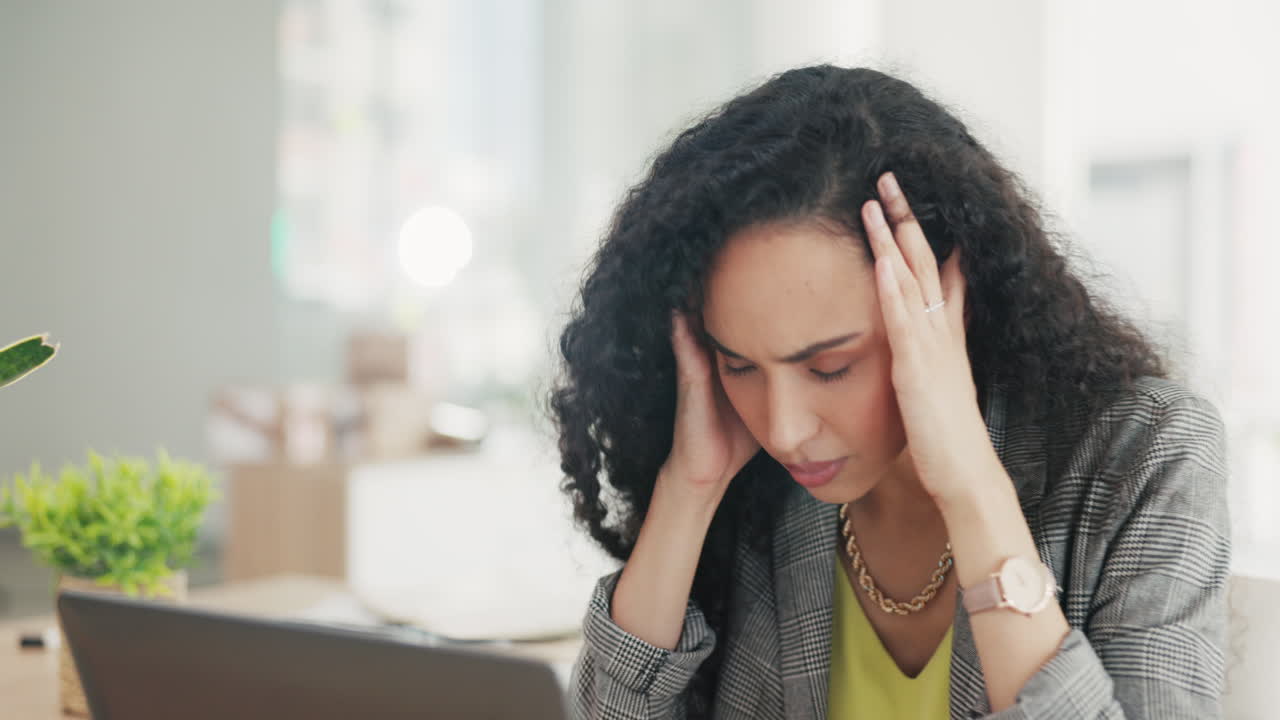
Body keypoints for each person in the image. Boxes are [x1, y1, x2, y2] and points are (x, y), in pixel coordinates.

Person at [548, 65, 1230, 719]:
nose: (782, 429)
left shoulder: (1144, 456)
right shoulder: (758, 486)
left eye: (830, 368)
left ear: (944, 306)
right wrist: (687, 492)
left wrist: (970, 484)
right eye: (739, 365)